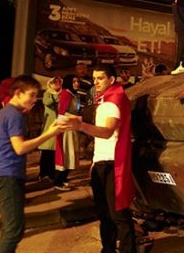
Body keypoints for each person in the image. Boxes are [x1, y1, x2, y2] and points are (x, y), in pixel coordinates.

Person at [0, 75, 69, 253]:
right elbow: (20, 148)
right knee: (14, 230)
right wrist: (49, 134)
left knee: (11, 227)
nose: (34, 100)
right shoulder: (15, 115)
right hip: (8, 176)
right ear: (18, 92)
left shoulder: (3, 112)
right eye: (31, 95)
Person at [67, 65, 136, 253]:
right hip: (102, 162)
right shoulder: (104, 100)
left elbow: (106, 133)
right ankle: (108, 249)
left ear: (111, 80)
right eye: (94, 78)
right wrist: (95, 162)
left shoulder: (113, 101)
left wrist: (80, 126)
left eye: (100, 78)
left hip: (113, 163)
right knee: (104, 214)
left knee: (118, 214)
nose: (95, 82)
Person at [55, 76, 80, 191]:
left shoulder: (73, 94)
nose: (76, 83)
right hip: (66, 128)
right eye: (74, 81)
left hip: (72, 126)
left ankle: (64, 178)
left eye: (77, 81)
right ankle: (58, 181)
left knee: (71, 153)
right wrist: (77, 118)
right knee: (66, 153)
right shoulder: (66, 93)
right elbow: (62, 113)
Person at [39, 77, 62, 183]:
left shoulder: (63, 94)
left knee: (55, 151)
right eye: (54, 82)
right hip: (49, 125)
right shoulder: (48, 93)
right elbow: (46, 102)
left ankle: (52, 173)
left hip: (58, 124)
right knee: (46, 151)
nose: (57, 84)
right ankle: (43, 173)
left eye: (59, 82)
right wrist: (57, 96)